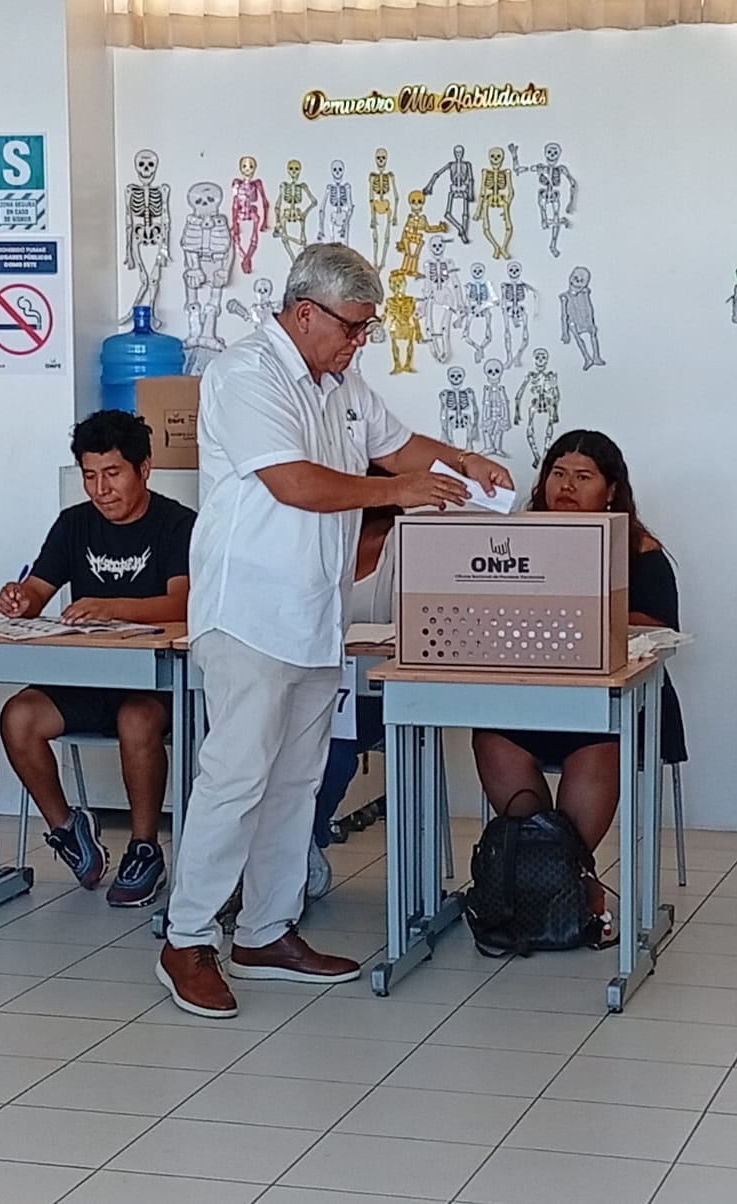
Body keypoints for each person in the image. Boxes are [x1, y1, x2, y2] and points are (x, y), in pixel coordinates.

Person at [157, 242, 512, 1019]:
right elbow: (296, 482)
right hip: (247, 611)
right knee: (237, 776)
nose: (360, 342)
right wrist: (399, 493)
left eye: (367, 329)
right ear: (305, 311)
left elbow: (395, 445)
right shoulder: (245, 375)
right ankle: (186, 938)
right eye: (353, 326)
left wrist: (460, 459)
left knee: (296, 780)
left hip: (318, 613)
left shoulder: (341, 381)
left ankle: (265, 930)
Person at [0, 410, 194, 907]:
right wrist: (19, 599)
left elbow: (184, 603)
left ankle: (144, 847)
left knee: (136, 720)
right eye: (89, 476)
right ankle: (68, 829)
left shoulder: (177, 524)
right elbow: (38, 591)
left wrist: (112, 607)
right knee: (18, 717)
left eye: (112, 474)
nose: (101, 489)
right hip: (85, 678)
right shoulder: (73, 525)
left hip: (156, 683)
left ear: (143, 469)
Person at [472, 429, 688, 853]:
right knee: (492, 740)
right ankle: (542, 867)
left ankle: (567, 876)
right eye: (558, 473)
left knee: (601, 744)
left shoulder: (640, 549)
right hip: (532, 697)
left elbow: (660, 628)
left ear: (611, 491)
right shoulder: (514, 541)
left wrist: (584, 615)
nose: (566, 486)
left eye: (583, 476)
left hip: (613, 703)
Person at [307, 469, 399, 900]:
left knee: (332, 747)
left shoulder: (405, 542)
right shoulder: (315, 535)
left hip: (376, 693)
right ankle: (277, 853)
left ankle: (301, 847)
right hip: (317, 679)